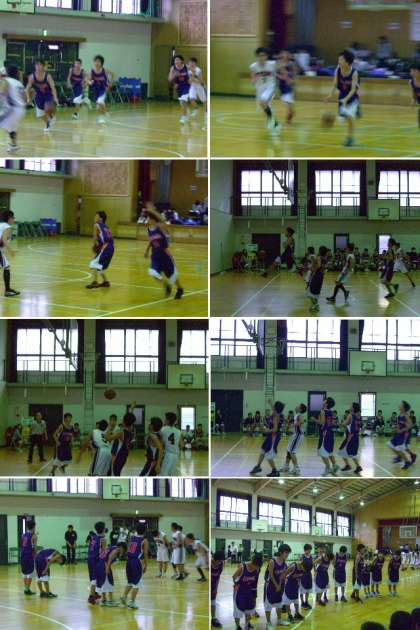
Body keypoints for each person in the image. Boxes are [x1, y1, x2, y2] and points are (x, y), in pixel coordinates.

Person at [144, 203, 184, 299]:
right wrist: (147, 250)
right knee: (153, 272)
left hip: (165, 255)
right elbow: (151, 241)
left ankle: (180, 289)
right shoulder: (149, 230)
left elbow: (163, 220)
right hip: (155, 256)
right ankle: (166, 286)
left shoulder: (160, 227)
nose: (147, 220)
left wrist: (153, 211)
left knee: (172, 275)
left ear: (153, 220)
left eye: (149, 218)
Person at [325, 50, 360, 146]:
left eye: (341, 59)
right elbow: (335, 84)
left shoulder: (354, 73)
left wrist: (346, 99)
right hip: (342, 95)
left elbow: (353, 89)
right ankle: (346, 114)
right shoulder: (338, 70)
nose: (339, 61)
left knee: (350, 117)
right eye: (339, 59)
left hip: (352, 97)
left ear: (347, 62)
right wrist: (330, 95)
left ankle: (350, 138)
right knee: (341, 120)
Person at [250, 400, 285, 477]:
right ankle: (258, 466)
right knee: (263, 450)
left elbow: (275, 429)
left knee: (269, 455)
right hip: (270, 435)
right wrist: (271, 403)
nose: (273, 407)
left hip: (274, 436)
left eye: (274, 406)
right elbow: (274, 409)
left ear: (276, 408)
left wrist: (266, 430)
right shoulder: (277, 413)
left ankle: (275, 471)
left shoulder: (276, 416)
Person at [250, 47, 279, 132]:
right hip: (260, 89)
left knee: (263, 101)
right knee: (264, 106)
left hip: (270, 87)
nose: (261, 57)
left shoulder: (272, 64)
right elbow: (252, 80)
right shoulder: (254, 66)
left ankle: (272, 121)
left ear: (266, 56)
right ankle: (273, 121)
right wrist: (254, 79)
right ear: (257, 57)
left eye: (263, 55)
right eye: (259, 56)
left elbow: (281, 70)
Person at [25, 60, 58, 133]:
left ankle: (52, 116)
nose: (38, 67)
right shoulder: (32, 77)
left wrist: (55, 97)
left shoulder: (48, 76)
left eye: (40, 65)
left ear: (43, 66)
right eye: (36, 65)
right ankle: (47, 123)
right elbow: (27, 89)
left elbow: (53, 87)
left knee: (47, 108)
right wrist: (28, 98)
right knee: (40, 115)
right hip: (39, 95)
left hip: (48, 94)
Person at [121, 523, 148, 609]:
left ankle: (124, 596)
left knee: (130, 582)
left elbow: (128, 548)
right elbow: (145, 554)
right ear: (145, 531)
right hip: (136, 562)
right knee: (137, 583)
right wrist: (146, 565)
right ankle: (132, 602)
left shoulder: (132, 538)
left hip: (128, 561)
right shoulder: (144, 540)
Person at [232, 552, 263, 629]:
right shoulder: (242, 567)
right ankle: (237, 626)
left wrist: (254, 593)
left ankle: (247, 624)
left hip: (248, 590)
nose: (257, 568)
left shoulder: (257, 569)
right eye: (256, 566)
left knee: (249, 609)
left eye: (258, 567)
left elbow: (254, 582)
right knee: (238, 609)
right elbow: (234, 577)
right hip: (239, 591)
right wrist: (236, 584)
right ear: (253, 563)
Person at [264, 545, 290, 628]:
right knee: (268, 604)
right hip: (270, 586)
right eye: (286, 553)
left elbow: (283, 575)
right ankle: (268, 623)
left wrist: (283, 581)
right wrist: (276, 585)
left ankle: (279, 620)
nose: (287, 555)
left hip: (280, 586)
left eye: (288, 553)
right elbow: (271, 575)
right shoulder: (272, 561)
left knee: (279, 603)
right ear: (281, 552)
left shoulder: (285, 563)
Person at [0, 64, 25, 152]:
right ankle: (14, 145)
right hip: (21, 109)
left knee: (9, 126)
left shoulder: (6, 80)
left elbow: (3, 92)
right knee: (11, 127)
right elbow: (24, 98)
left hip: (12, 109)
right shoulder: (19, 83)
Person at [86, 211, 114, 289]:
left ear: (101, 219)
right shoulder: (107, 227)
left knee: (93, 263)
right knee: (99, 266)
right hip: (110, 248)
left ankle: (95, 282)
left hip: (106, 247)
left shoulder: (96, 225)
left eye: (96, 216)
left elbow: (94, 237)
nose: (94, 217)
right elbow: (109, 237)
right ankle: (105, 282)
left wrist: (94, 246)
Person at [95, 541, 127, 606]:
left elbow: (103, 555)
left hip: (99, 564)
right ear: (121, 547)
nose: (123, 551)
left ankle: (104, 599)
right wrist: (107, 568)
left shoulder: (112, 547)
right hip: (104, 565)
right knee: (110, 582)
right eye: (123, 549)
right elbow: (109, 558)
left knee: (104, 582)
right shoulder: (116, 550)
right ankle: (110, 600)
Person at [316, 397, 339, 476]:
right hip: (330, 433)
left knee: (322, 452)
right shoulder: (331, 412)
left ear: (326, 403)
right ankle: (335, 465)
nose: (323, 401)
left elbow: (322, 423)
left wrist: (314, 420)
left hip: (324, 433)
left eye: (324, 401)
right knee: (329, 452)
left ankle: (328, 468)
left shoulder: (323, 411)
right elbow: (331, 423)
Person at [281, 403, 307, 475]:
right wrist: (285, 419)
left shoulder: (300, 415)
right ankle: (286, 466)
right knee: (288, 450)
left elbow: (301, 421)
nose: (296, 406)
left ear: (300, 409)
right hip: (295, 435)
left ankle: (296, 469)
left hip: (298, 435)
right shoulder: (296, 415)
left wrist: (293, 425)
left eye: (298, 406)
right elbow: (292, 422)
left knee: (292, 452)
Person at [388, 401, 414, 470]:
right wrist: (394, 430)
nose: (399, 405)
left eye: (401, 404)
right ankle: (401, 457)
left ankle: (407, 461)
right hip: (397, 435)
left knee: (399, 449)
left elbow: (411, 425)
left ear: (403, 407)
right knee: (390, 445)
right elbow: (399, 425)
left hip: (402, 435)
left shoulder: (406, 415)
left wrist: (402, 430)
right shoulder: (400, 415)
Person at [338, 402, 363, 474]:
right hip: (355, 437)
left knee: (342, 450)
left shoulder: (350, 415)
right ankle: (354, 466)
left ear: (353, 408)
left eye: (351, 406)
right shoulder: (358, 416)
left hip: (350, 437)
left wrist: (339, 423)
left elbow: (344, 424)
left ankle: (351, 466)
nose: (349, 406)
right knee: (351, 453)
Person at [0, 209, 20, 297]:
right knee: (6, 266)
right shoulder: (7, 227)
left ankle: (8, 290)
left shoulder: (1, 225)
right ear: (9, 218)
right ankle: (7, 290)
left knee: (6, 266)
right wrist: (11, 251)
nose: (14, 219)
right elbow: (4, 240)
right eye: (13, 217)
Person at [87, 521, 106, 605]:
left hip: (90, 558)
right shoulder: (103, 539)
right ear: (103, 529)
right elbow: (103, 552)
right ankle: (91, 596)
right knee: (95, 578)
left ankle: (94, 594)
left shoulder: (93, 537)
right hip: (96, 560)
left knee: (93, 578)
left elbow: (90, 547)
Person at [111, 411, 136, 476]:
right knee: (117, 474)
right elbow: (130, 419)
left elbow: (108, 438)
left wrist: (109, 426)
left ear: (124, 421)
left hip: (118, 456)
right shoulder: (130, 431)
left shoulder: (121, 432)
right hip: (124, 456)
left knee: (114, 474)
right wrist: (131, 409)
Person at [275, 49, 296, 125]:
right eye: (283, 53)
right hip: (282, 85)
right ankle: (290, 115)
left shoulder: (291, 64)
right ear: (281, 54)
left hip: (289, 86)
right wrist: (281, 77)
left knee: (289, 104)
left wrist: (292, 79)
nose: (285, 55)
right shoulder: (278, 63)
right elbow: (274, 74)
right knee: (288, 103)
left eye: (287, 54)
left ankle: (289, 118)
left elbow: (294, 74)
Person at [88, 55, 112, 124]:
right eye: (96, 61)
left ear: (101, 63)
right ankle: (105, 113)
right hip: (95, 91)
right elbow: (88, 79)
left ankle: (101, 118)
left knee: (100, 102)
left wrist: (110, 83)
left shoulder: (105, 70)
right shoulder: (92, 71)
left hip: (103, 90)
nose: (97, 63)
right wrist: (89, 82)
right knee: (100, 104)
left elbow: (112, 74)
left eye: (98, 61)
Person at [168, 54, 191, 124]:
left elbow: (192, 75)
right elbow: (169, 79)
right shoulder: (173, 68)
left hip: (187, 86)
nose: (176, 61)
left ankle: (184, 116)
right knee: (182, 103)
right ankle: (187, 112)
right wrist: (174, 75)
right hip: (179, 87)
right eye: (175, 60)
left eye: (178, 60)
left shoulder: (186, 67)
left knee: (183, 99)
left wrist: (191, 80)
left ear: (182, 61)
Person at [160, 412, 184, 476]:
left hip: (167, 454)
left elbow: (161, 444)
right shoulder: (179, 431)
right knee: (172, 474)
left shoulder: (163, 429)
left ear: (167, 420)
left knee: (164, 474)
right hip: (176, 455)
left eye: (165, 419)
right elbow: (182, 445)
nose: (164, 420)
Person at [20, 520, 37, 596]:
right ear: (34, 527)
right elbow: (35, 548)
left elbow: (23, 545)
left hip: (23, 555)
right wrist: (36, 556)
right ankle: (27, 590)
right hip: (29, 555)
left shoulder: (23, 535)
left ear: (27, 527)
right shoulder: (34, 536)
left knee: (24, 573)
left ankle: (26, 589)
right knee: (30, 573)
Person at [211, 550, 225, 628]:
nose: (220, 562)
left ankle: (213, 618)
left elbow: (218, 576)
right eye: (219, 561)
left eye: (221, 561)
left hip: (213, 585)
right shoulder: (209, 564)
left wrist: (216, 588)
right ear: (215, 559)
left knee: (213, 602)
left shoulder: (221, 565)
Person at [299, 544, 313, 610]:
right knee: (302, 590)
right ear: (305, 550)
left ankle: (306, 602)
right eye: (309, 549)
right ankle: (302, 603)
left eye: (310, 550)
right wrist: (303, 569)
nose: (310, 551)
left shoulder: (311, 556)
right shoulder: (302, 556)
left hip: (309, 574)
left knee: (308, 589)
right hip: (303, 575)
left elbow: (312, 564)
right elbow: (299, 565)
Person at [410, 62, 420, 130]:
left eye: (414, 71)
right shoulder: (412, 82)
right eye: (411, 71)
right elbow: (414, 92)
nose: (411, 73)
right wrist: (413, 100)